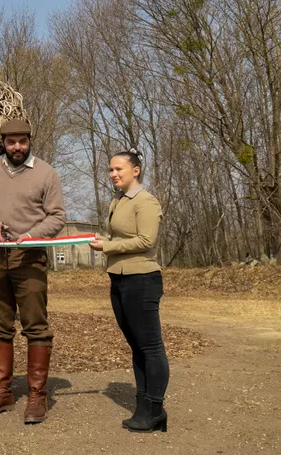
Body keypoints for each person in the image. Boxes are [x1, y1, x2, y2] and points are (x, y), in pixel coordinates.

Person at [0, 119, 65, 424]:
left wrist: (34, 234)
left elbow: (58, 215)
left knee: (36, 324)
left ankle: (37, 394)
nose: (17, 147)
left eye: (22, 142)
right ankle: (3, 391)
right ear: (3, 144)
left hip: (29, 256)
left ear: (29, 141)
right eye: (11, 142)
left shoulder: (46, 172)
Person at [89, 149, 169, 433]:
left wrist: (108, 247)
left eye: (118, 169)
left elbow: (146, 241)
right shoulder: (117, 202)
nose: (113, 174)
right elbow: (121, 237)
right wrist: (104, 240)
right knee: (136, 345)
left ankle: (155, 409)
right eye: (110, 170)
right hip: (119, 279)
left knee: (151, 347)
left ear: (136, 171)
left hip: (143, 279)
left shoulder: (146, 201)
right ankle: (142, 406)